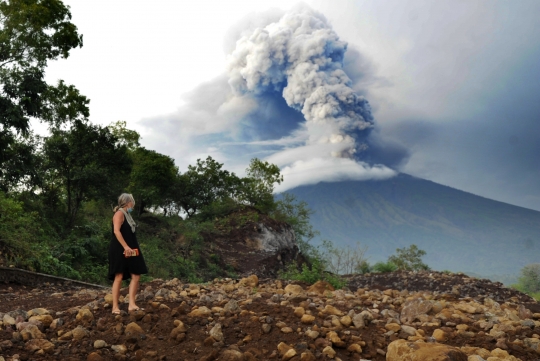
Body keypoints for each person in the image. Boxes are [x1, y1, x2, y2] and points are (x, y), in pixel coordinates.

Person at [109, 193, 148, 314]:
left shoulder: (128, 215)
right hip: (119, 248)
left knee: (136, 275)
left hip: (132, 249)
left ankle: (131, 304)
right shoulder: (119, 214)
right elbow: (116, 231)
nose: (134, 204)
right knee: (119, 276)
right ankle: (115, 307)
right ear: (127, 203)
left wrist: (131, 247)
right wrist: (125, 247)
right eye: (132, 202)